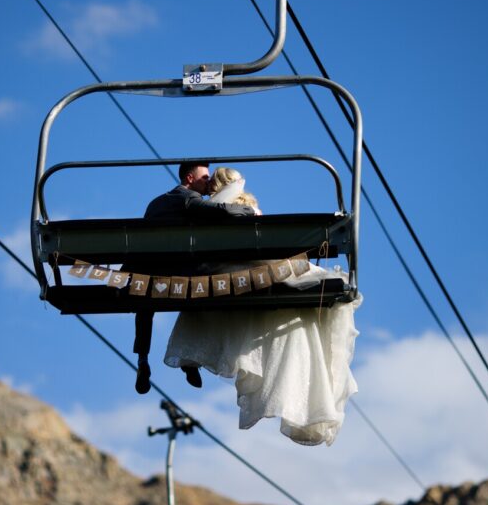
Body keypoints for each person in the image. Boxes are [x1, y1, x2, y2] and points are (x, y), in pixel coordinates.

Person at [163, 167, 362, 446]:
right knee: (296, 286)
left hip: (219, 273)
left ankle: (191, 356)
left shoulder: (207, 209)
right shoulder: (249, 209)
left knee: (203, 294)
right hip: (253, 272)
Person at [133, 162, 256, 394]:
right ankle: (190, 358)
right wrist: (247, 211)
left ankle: (143, 358)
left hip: (148, 274)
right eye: (204, 177)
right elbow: (221, 210)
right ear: (190, 178)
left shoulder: (156, 203)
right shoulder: (186, 198)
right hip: (180, 273)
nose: (208, 182)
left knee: (145, 302)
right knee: (205, 283)